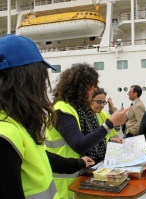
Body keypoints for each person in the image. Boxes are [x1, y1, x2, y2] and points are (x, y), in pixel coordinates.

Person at [0, 34, 95, 199]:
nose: (44, 87)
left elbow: (40, 157)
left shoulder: (15, 124)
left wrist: (78, 163)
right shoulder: (5, 135)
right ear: (26, 81)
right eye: (41, 79)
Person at [45, 64, 129, 199]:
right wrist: (110, 124)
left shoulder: (78, 109)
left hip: (76, 175)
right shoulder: (62, 110)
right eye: (92, 86)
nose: (94, 90)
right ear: (82, 86)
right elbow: (79, 144)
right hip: (64, 182)